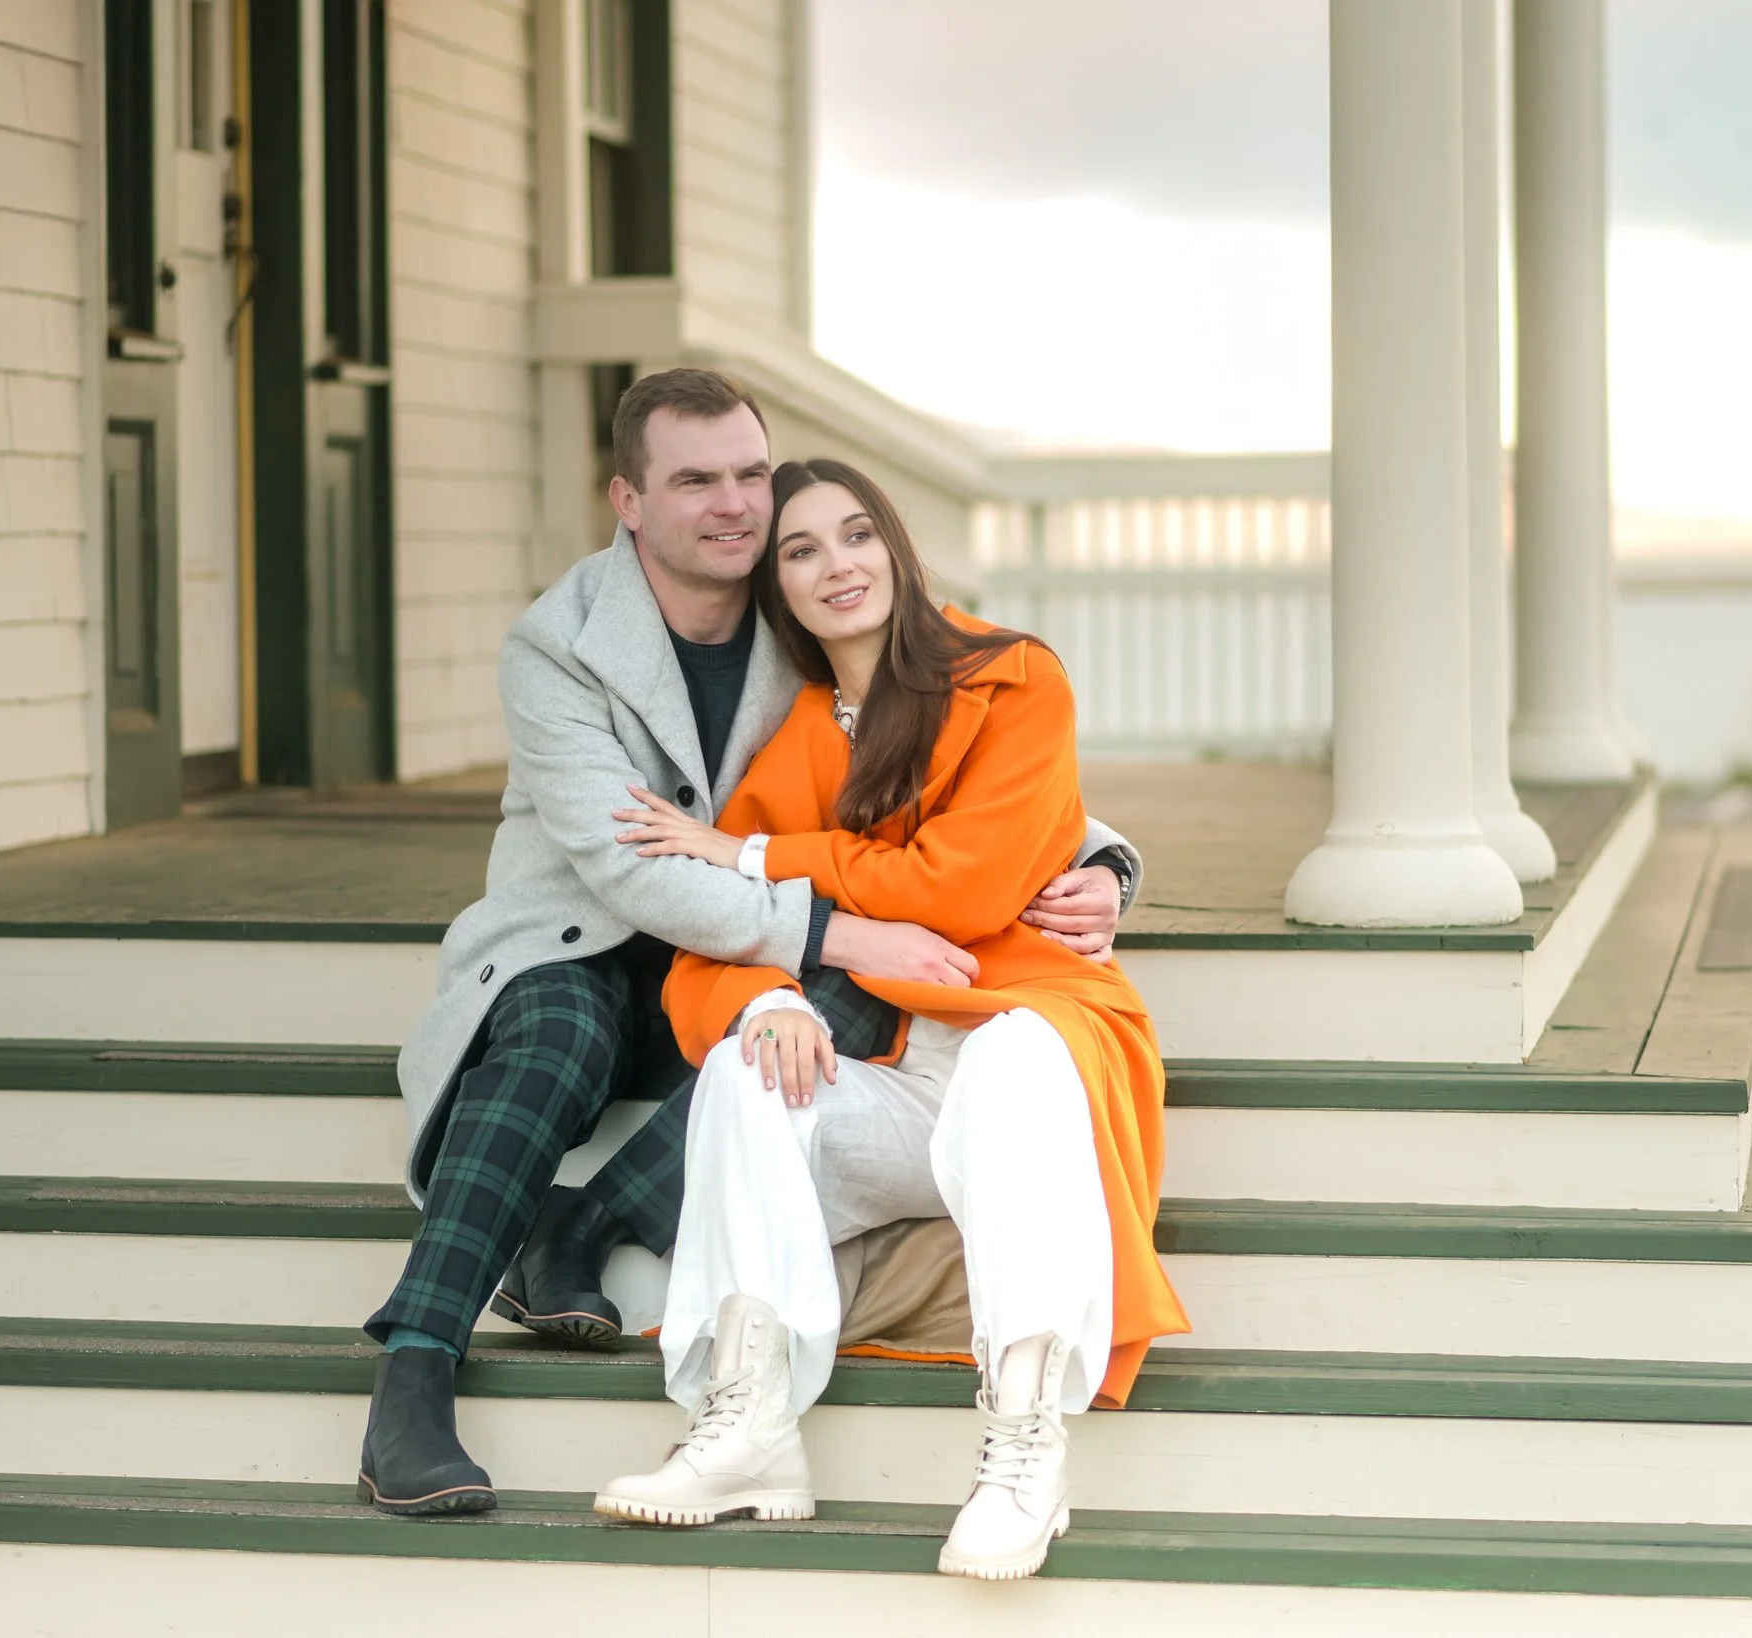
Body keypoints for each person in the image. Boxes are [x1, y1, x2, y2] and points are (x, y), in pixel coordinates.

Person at [355, 371, 1141, 1517]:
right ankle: (414, 1375)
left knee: (865, 996)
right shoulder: (559, 646)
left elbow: (947, 742)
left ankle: (598, 1216)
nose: (732, 504)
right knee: (555, 1042)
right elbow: (636, 867)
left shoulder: (805, 606)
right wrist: (841, 922)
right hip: (584, 943)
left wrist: (1106, 863)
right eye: (692, 481)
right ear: (627, 499)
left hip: (745, 951)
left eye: (748, 474)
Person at [590, 458, 1189, 1581]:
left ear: (896, 546)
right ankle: (749, 1425)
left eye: (855, 534)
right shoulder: (805, 733)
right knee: (741, 1075)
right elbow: (705, 936)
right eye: (800, 551)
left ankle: (1023, 1453)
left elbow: (962, 889)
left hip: (1041, 1033)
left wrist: (763, 854)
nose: (836, 566)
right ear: (778, 590)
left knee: (1009, 1053)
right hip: (908, 1078)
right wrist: (765, 992)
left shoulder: (1012, 677)